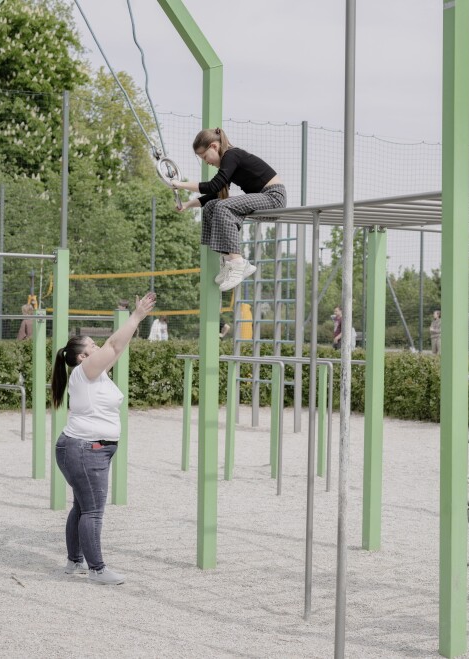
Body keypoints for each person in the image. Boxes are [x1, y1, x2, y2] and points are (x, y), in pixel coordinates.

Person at [51, 292, 157, 585]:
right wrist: (135, 316)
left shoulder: (93, 373)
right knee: (93, 511)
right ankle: (97, 569)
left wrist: (135, 324)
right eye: (93, 346)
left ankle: (75, 562)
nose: (100, 348)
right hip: (87, 450)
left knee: (82, 506)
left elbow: (117, 347)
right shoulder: (86, 371)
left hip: (84, 448)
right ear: (83, 357)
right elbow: (112, 344)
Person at [173, 127, 287, 292]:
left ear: (214, 146)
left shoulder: (232, 155)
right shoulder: (229, 162)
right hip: (262, 198)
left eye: (205, 157)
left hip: (273, 198)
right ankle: (228, 260)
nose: (206, 162)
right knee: (212, 207)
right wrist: (187, 204)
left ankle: (237, 262)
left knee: (223, 205)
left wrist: (180, 184)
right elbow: (214, 194)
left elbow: (212, 185)